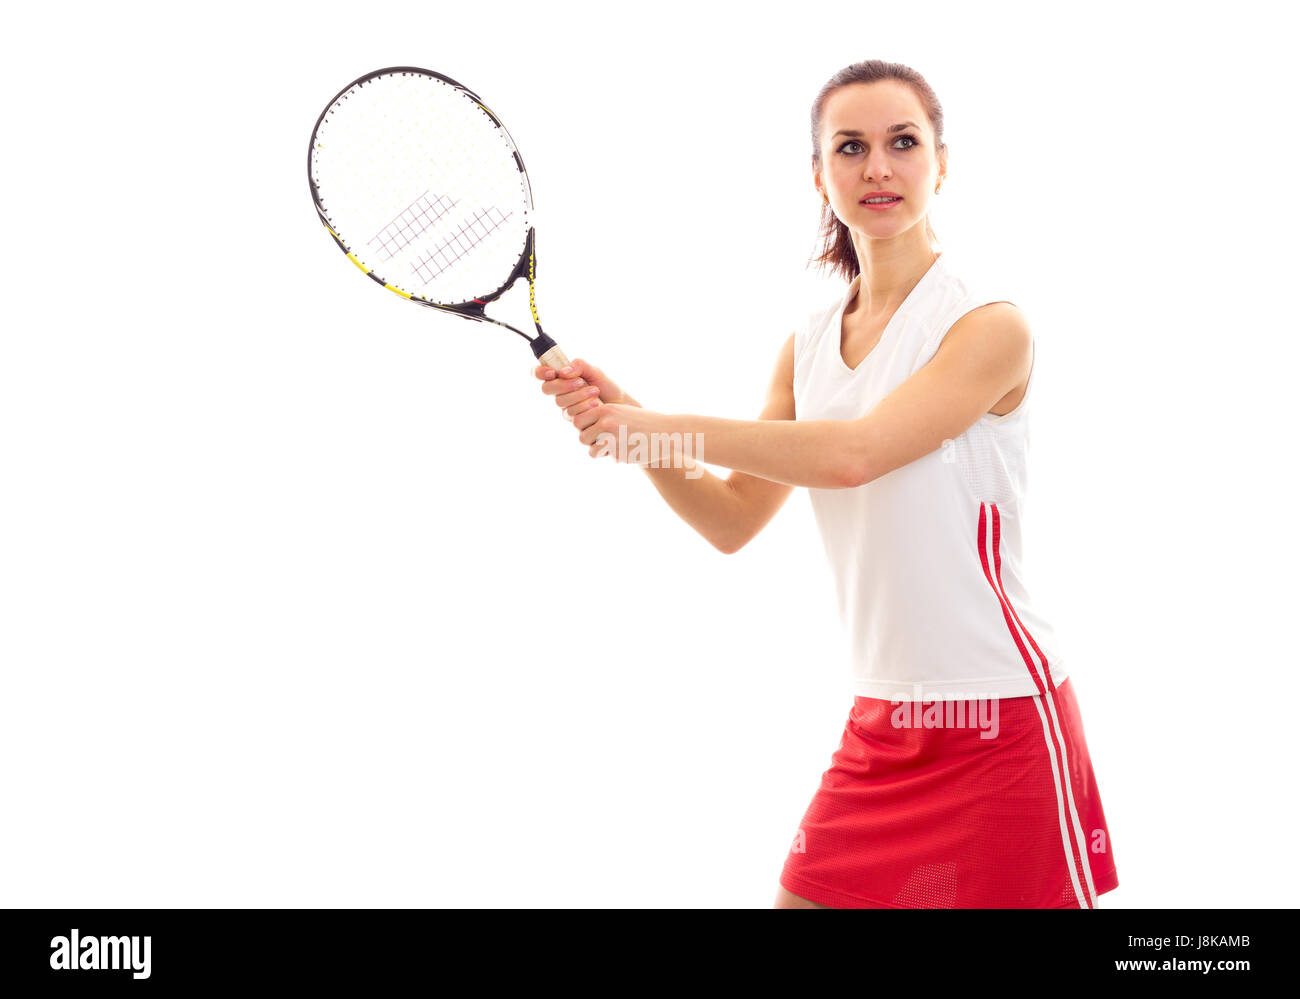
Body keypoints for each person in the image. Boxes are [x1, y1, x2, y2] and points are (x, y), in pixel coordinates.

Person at [533, 59, 1118, 909]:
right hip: (882, 723)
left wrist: (656, 427)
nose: (877, 167)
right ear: (819, 175)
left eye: (902, 143)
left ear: (941, 163)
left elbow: (854, 454)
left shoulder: (988, 327)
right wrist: (643, 433)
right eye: (850, 147)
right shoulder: (805, 348)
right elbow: (733, 517)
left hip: (1000, 720)